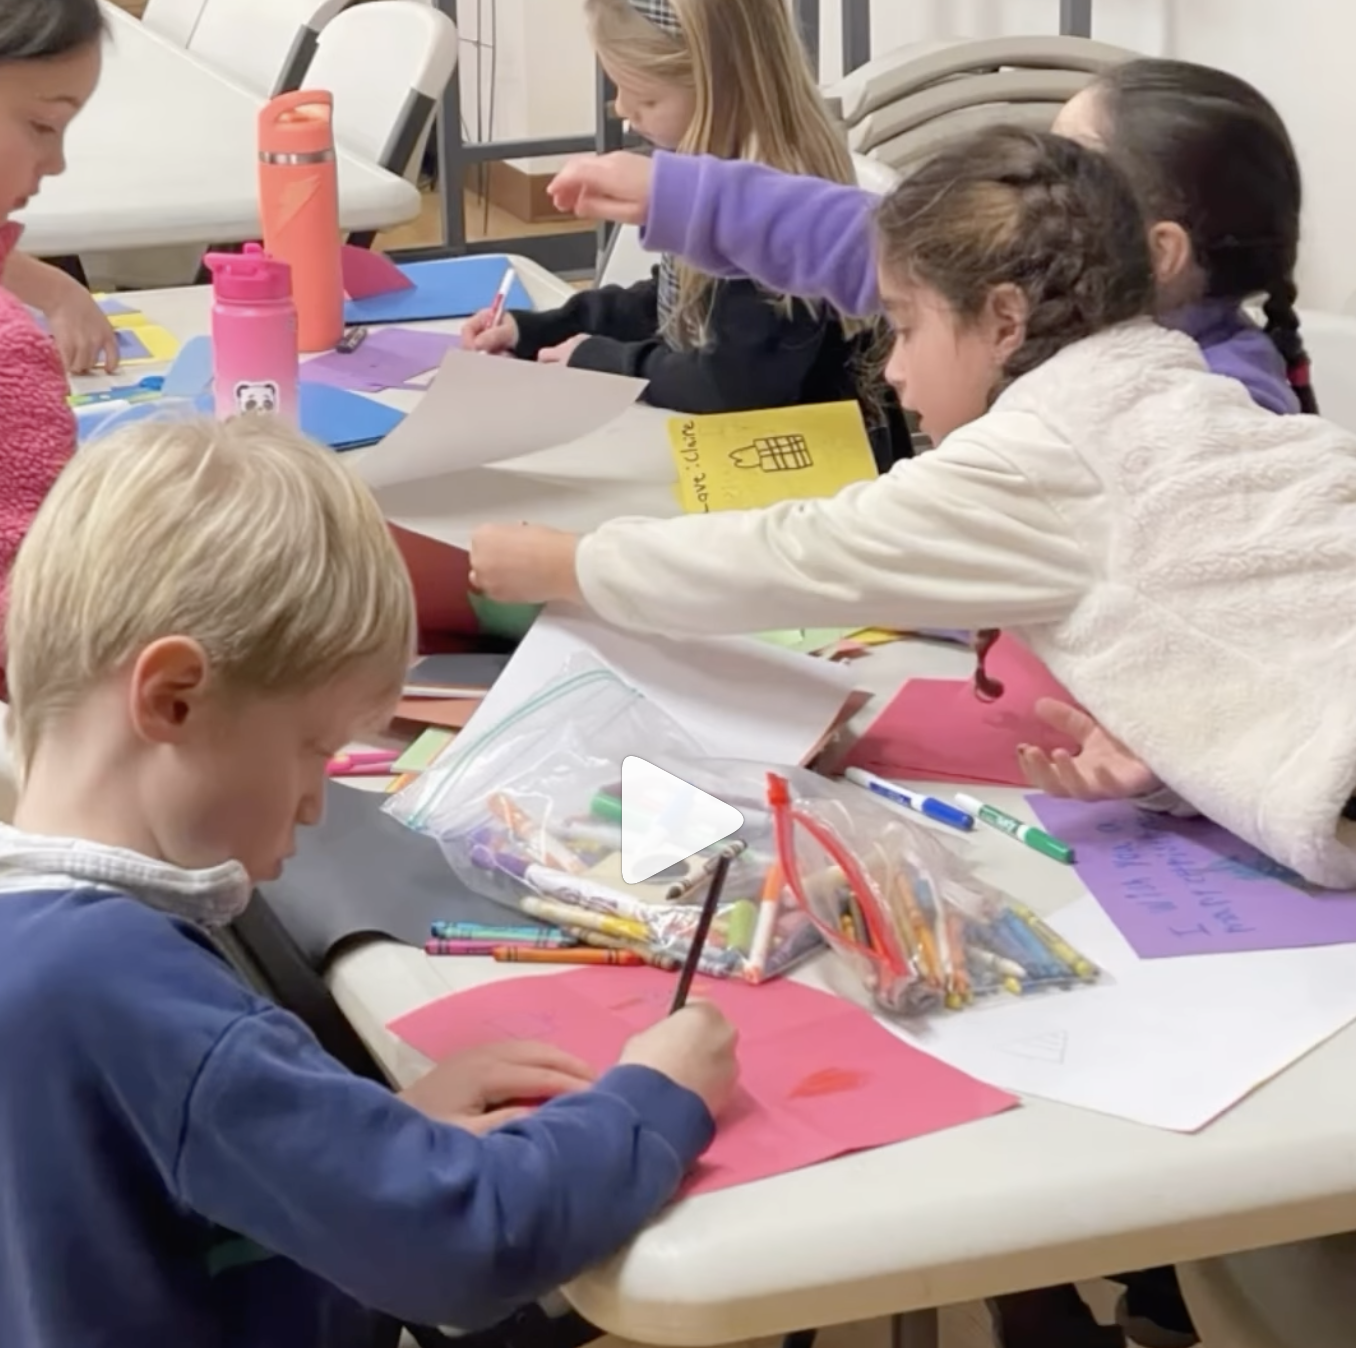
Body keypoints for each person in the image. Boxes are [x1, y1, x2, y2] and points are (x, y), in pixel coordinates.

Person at [0, 413, 740, 1348]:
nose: (315, 804)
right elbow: (466, 1246)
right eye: (313, 751)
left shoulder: (38, 943)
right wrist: (654, 1100)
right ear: (172, 698)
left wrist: (372, 1131)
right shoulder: (123, 985)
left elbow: (145, 1167)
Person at [468, 125, 1356, 888]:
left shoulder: (1042, 451)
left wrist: (571, 564)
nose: (892, 366)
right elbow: (1250, 625)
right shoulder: (1168, 386)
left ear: (1005, 320)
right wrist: (1185, 754)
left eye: (907, 322)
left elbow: (800, 556)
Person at [546, 57, 1314, 423]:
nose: (1028, 188)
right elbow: (856, 237)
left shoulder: (1221, 409)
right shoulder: (1042, 294)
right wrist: (683, 194)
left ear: (1160, 251)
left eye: (1065, 171)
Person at [460, 0, 894, 434]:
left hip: (813, 466)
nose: (625, 112)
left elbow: (733, 388)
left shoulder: (767, 215)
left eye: (646, 97)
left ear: (721, 89)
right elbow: (678, 304)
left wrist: (603, 359)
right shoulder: (726, 177)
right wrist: (541, 328)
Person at [0, 0, 109, 689]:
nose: (57, 162)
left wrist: (59, 291)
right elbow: (38, 635)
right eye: (43, 125)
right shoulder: (11, 357)